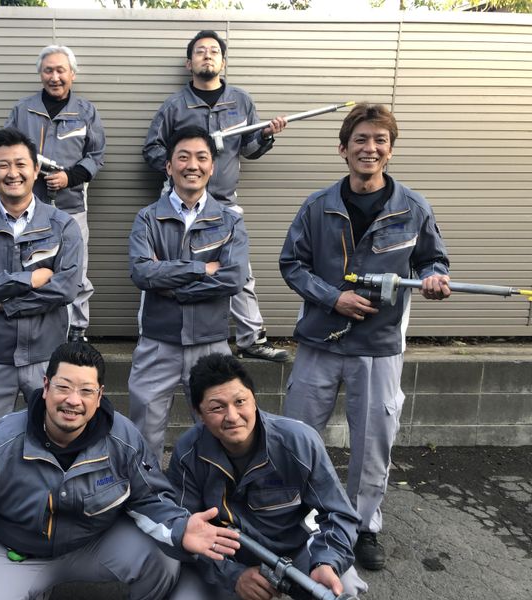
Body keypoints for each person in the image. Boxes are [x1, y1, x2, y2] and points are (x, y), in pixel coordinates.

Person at [0, 341, 241, 600]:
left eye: (86, 391)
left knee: (163, 558)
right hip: (17, 551)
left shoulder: (123, 438)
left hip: (95, 543)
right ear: (46, 386)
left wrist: (180, 527)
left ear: (99, 396)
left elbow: (150, 499)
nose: (73, 401)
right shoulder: (4, 439)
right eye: (64, 387)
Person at [279, 102, 451, 571]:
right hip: (320, 341)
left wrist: (433, 278)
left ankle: (361, 526)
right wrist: (333, 298)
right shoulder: (318, 206)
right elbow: (292, 264)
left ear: (390, 150)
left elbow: (433, 259)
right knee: (297, 435)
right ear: (343, 148)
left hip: (378, 346)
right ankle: (292, 517)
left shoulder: (413, 208)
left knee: (373, 443)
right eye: (360, 139)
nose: (369, 148)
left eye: (380, 140)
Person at [167, 353, 367, 600]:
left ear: (254, 400)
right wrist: (233, 575)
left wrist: (326, 562)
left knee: (342, 588)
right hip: (227, 558)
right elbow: (183, 529)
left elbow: (339, 514)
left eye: (240, 401)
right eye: (217, 407)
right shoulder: (188, 453)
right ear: (199, 413)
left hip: (296, 553)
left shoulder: (299, 441)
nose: (232, 416)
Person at [143, 30, 289, 363]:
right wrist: (181, 168)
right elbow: (151, 148)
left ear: (223, 62)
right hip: (178, 205)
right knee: (165, 269)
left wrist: (266, 136)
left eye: (213, 51)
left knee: (240, 272)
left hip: (223, 203)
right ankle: (152, 335)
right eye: (199, 51)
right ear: (189, 63)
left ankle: (252, 339)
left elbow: (249, 149)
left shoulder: (241, 101)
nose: (207, 55)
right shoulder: (174, 105)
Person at [0, 127, 83, 449]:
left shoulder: (62, 225)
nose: (13, 173)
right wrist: (29, 279)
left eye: (21, 164)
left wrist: (7, 303)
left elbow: (66, 288)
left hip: (47, 356)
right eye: (3, 165)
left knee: (54, 441)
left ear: (36, 170)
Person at [128, 126, 248, 462]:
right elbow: (142, 273)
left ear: (212, 167)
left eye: (201, 157)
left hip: (211, 343)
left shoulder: (229, 221)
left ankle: (212, 490)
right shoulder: (148, 218)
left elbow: (233, 279)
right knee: (144, 432)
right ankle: (148, 492)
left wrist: (171, 286)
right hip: (157, 343)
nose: (192, 165)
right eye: (183, 157)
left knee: (219, 431)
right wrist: (200, 269)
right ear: (169, 166)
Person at [5, 44, 106, 343]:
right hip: (28, 209)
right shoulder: (22, 110)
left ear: (72, 74)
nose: (55, 76)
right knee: (31, 267)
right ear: (41, 74)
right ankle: (33, 327)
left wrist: (69, 178)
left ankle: (77, 331)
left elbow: (96, 155)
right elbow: (6, 150)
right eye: (48, 70)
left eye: (61, 70)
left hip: (72, 207)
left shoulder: (86, 112)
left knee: (76, 270)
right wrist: (28, 171)